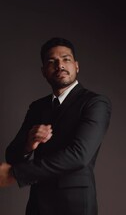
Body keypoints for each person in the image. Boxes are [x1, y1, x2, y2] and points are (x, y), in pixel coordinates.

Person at [0, 37, 111, 215]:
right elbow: (11, 154)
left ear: (76, 66)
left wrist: (15, 173)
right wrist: (28, 144)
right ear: (44, 71)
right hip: (37, 205)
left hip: (74, 205)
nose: (60, 65)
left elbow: (79, 155)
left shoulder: (95, 103)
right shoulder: (37, 107)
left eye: (66, 59)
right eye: (52, 62)